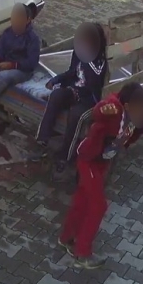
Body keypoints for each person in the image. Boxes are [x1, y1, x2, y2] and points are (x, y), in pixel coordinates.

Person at [58, 79, 143, 269]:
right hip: (89, 161)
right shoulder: (114, 109)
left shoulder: (138, 100)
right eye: (139, 109)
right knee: (98, 206)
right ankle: (82, 254)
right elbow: (98, 112)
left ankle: (66, 238)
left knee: (82, 201)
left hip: (102, 162)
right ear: (127, 105)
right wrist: (104, 109)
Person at [28, 22, 108, 178]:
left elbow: (94, 82)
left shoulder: (100, 61)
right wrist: (57, 80)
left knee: (75, 115)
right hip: (75, 91)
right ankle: (42, 139)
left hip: (89, 99)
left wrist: (88, 59)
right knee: (56, 96)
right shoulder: (78, 52)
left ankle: (65, 156)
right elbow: (72, 72)